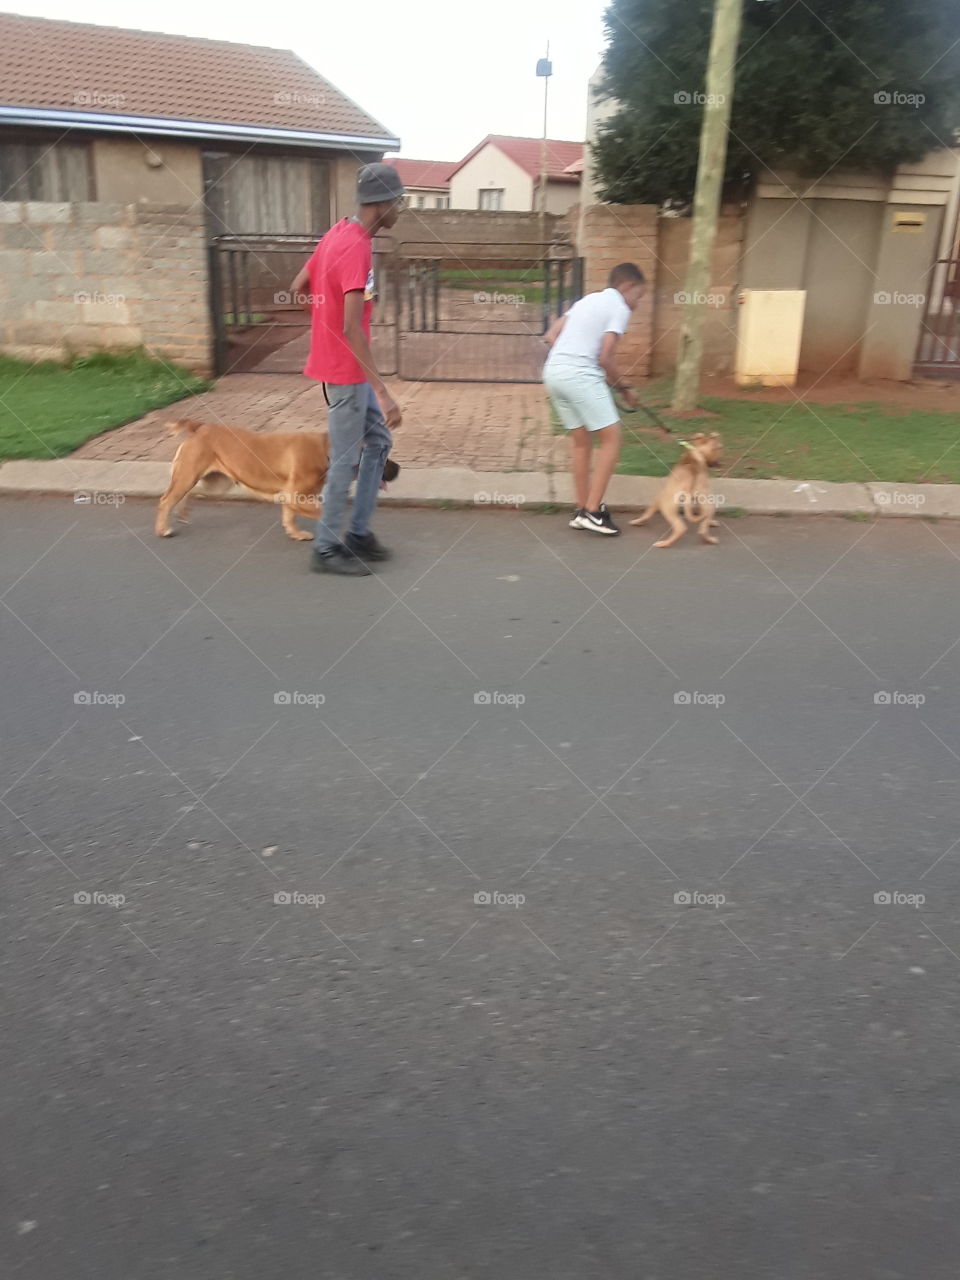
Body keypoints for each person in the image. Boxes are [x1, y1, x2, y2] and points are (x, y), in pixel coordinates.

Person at [289, 162, 405, 577]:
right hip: (346, 373)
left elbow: (299, 286)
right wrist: (384, 391)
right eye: (399, 201)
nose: (400, 210)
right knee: (343, 461)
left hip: (340, 367)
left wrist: (323, 327)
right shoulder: (357, 247)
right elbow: (352, 328)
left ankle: (357, 534)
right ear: (383, 203)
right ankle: (326, 549)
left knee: (378, 443)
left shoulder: (337, 232)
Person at [542, 263, 646, 536]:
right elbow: (605, 357)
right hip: (580, 376)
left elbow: (551, 335)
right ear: (627, 287)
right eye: (638, 297)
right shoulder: (619, 308)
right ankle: (593, 513)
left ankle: (581, 510)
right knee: (612, 438)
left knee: (581, 443)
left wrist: (571, 359)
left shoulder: (587, 300)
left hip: (553, 373)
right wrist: (625, 389)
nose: (636, 305)